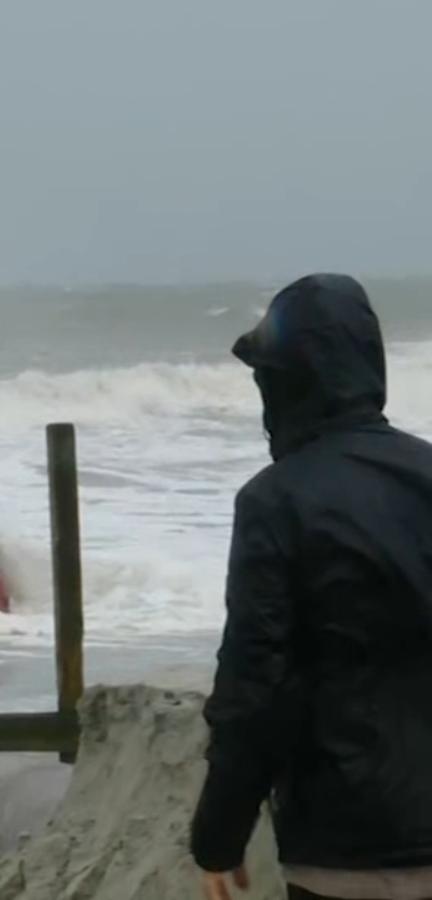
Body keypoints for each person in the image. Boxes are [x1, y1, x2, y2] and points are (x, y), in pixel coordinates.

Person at [190, 273, 432, 900]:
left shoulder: (275, 502)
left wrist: (219, 836)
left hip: (342, 847)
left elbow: (255, 684)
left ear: (286, 382)